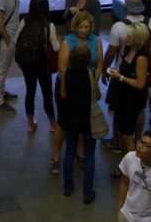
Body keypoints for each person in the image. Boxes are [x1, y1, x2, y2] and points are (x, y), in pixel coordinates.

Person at [101, 0, 151, 140]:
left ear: (125, 6)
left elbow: (110, 53)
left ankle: (116, 141)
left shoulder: (119, 27)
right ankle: (138, 137)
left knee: (118, 107)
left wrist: (104, 70)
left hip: (123, 72)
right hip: (145, 72)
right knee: (140, 108)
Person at [50, 11, 101, 177]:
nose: (84, 31)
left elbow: (99, 65)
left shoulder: (96, 41)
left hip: (87, 85)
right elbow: (63, 67)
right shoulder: (68, 41)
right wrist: (70, 86)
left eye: (87, 27)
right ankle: (56, 156)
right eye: (81, 27)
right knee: (63, 121)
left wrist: (94, 82)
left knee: (83, 120)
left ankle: (80, 153)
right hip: (67, 84)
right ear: (75, 26)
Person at [107, 22, 151, 172]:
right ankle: (126, 167)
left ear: (138, 38)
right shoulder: (130, 51)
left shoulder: (141, 58)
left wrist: (120, 77)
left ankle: (133, 169)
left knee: (127, 137)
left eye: (130, 36)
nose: (127, 38)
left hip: (132, 101)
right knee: (123, 133)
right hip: (124, 98)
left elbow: (140, 84)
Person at [57, 43, 99, 204]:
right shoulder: (90, 75)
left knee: (69, 152)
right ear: (88, 60)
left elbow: (62, 94)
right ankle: (87, 193)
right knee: (89, 155)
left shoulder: (67, 73)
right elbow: (97, 94)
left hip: (71, 119)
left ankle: (68, 187)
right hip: (87, 120)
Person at [14, 0, 58, 134]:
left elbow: (16, 40)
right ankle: (52, 124)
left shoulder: (25, 20)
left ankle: (30, 123)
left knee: (30, 91)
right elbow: (55, 47)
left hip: (27, 63)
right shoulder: (48, 25)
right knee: (47, 94)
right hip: (42, 64)